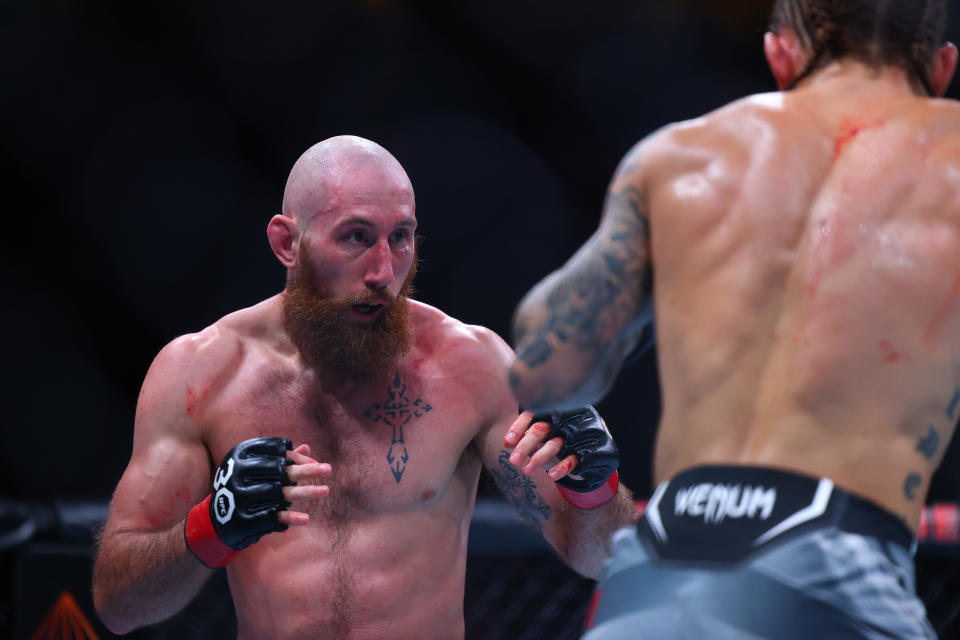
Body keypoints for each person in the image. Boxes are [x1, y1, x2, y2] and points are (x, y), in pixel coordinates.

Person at [508, 1, 959, 638]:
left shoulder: (677, 158)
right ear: (943, 69)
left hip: (653, 573)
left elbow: (544, 367)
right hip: (830, 569)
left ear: (779, 55)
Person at [91, 135, 636, 639]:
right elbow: (118, 606)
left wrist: (595, 488)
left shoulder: (472, 365)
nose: (383, 270)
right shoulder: (203, 374)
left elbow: (596, 556)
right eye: (356, 237)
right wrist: (213, 525)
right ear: (287, 243)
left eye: (401, 238)